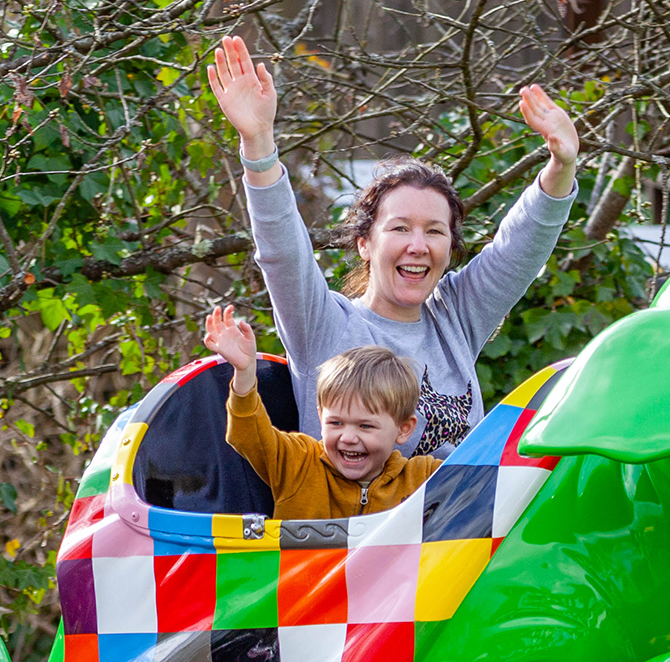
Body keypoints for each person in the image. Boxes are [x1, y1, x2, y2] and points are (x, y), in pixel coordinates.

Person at [205, 34, 580, 459]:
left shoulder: (454, 317)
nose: (418, 246)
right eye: (400, 228)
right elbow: (282, 251)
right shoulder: (325, 325)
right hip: (355, 525)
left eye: (435, 232)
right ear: (365, 243)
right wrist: (258, 144)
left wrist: (561, 165)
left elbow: (518, 252)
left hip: (460, 525)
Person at [203, 304, 440, 519]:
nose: (348, 438)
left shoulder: (422, 477)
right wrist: (244, 372)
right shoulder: (298, 462)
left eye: (365, 426)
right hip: (302, 569)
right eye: (336, 423)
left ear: (404, 429)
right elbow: (247, 434)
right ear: (320, 417)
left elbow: (476, 479)